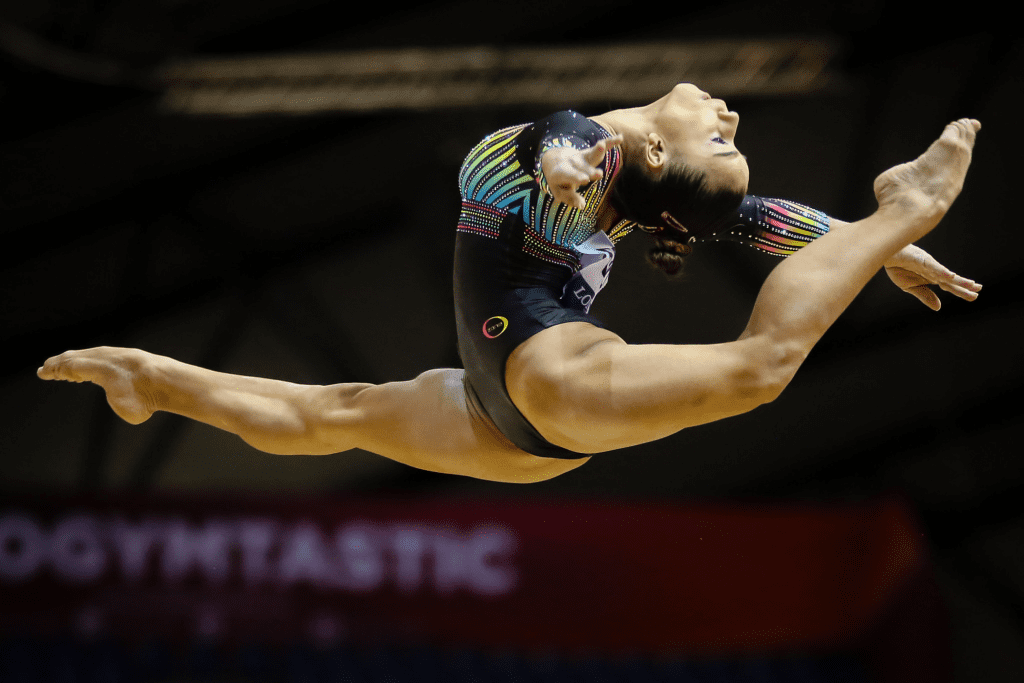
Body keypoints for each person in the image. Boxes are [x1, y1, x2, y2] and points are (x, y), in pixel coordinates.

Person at [38, 83, 983, 484]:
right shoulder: (558, 156)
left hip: (539, 389)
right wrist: (862, 244)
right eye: (730, 138)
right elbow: (537, 146)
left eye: (723, 136)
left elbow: (744, 213)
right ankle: (149, 377)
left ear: (654, 149)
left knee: (761, 367)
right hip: (509, 413)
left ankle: (903, 207)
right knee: (336, 412)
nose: (729, 111)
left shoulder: (585, 160)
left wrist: (866, 242)